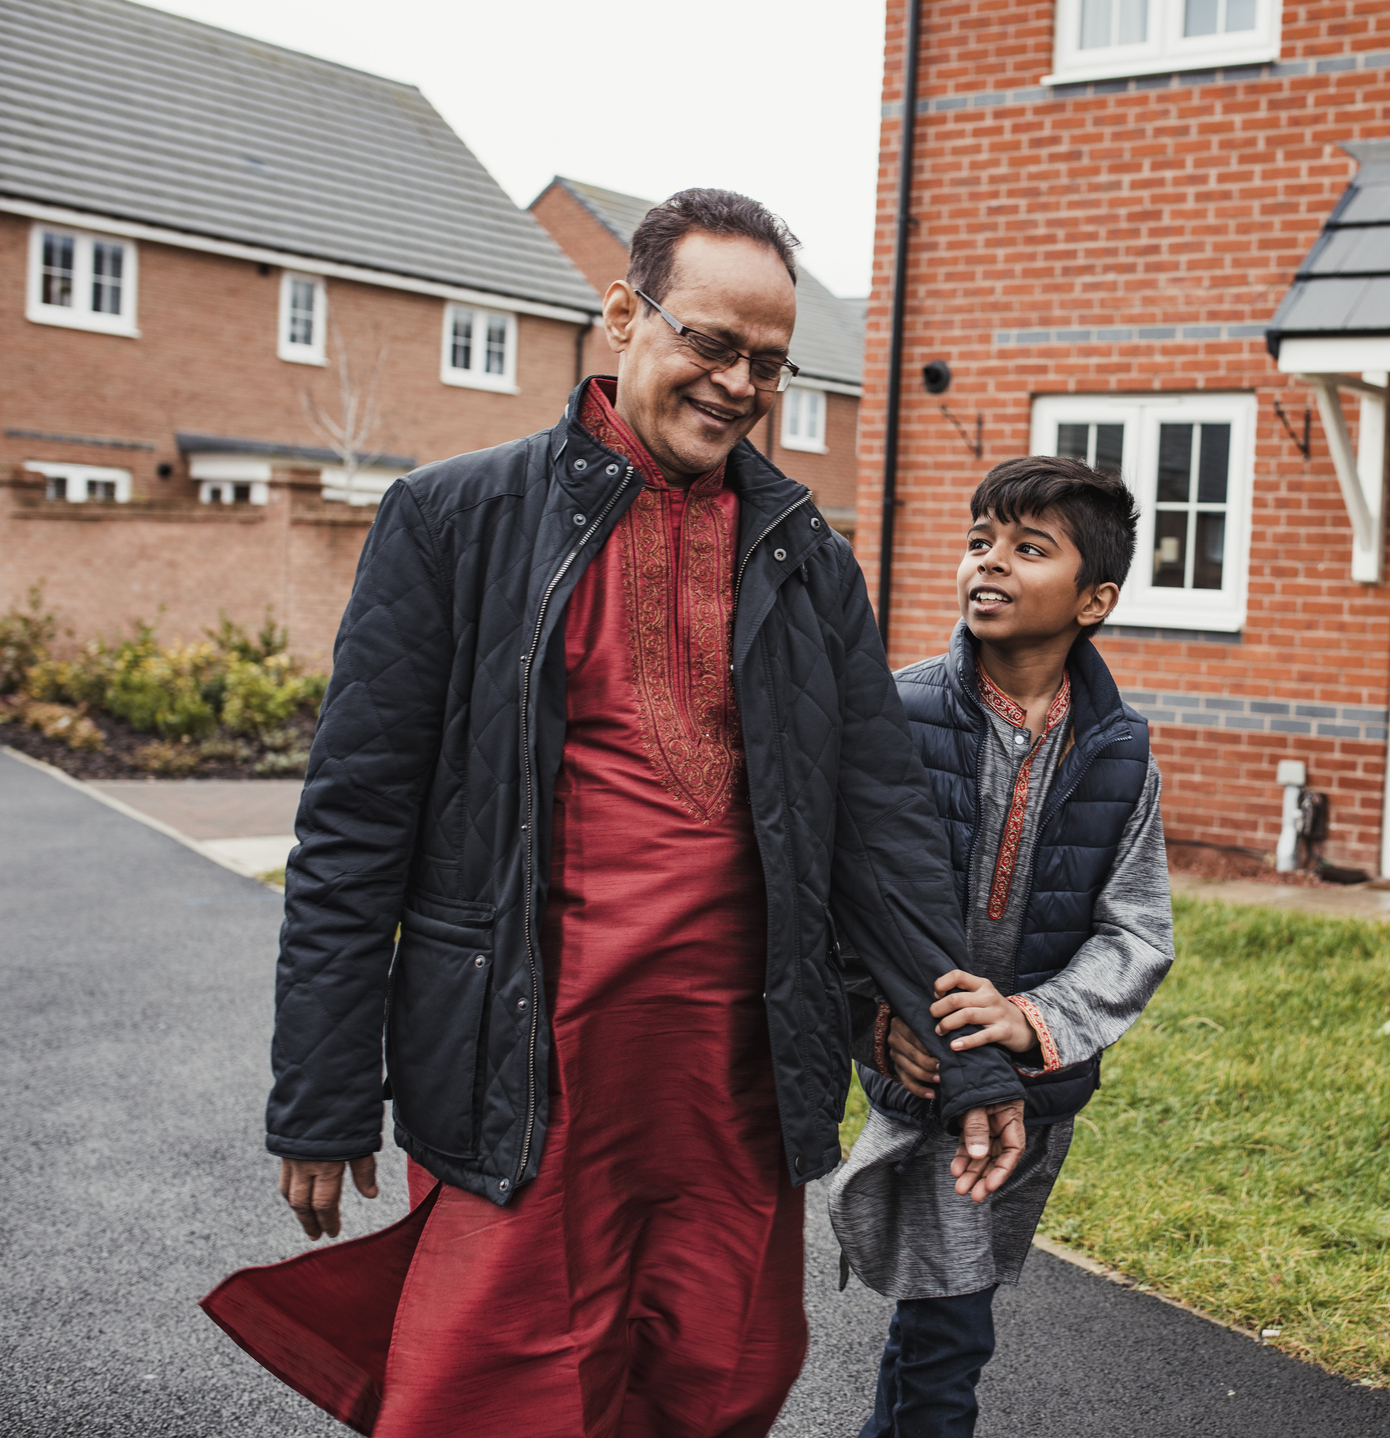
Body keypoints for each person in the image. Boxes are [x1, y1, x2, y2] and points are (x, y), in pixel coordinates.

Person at [200, 189, 1027, 1438]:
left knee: (714, 1377)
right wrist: (320, 1091)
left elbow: (880, 825)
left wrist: (962, 1047)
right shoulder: (454, 522)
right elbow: (353, 827)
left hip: (732, 1081)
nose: (739, 382)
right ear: (624, 312)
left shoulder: (809, 557)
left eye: (768, 360)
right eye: (709, 341)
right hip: (528, 1068)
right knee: (497, 1386)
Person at [826, 454, 1176, 1438]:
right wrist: (880, 1013)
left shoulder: (1117, 750)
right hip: (922, 1071)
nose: (991, 562)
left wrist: (1032, 1021)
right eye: (979, 539)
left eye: (1029, 548)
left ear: (1095, 598)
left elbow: (1136, 930)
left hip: (1030, 1084)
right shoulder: (894, 714)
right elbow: (836, 899)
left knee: (939, 1319)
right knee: (949, 1335)